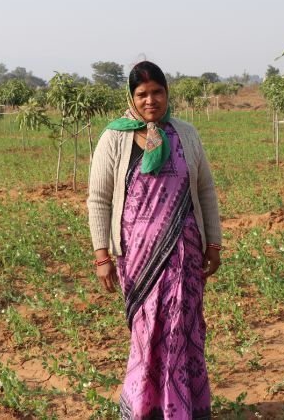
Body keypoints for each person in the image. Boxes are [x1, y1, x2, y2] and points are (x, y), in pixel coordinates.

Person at [87, 60, 222, 420]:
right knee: (148, 334)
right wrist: (102, 255)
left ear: (167, 93)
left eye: (157, 92)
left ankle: (183, 407)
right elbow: (99, 198)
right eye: (142, 94)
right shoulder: (114, 138)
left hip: (185, 253)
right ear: (131, 97)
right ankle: (146, 408)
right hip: (138, 257)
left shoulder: (186, 133)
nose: (151, 100)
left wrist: (214, 242)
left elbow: (205, 189)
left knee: (183, 328)